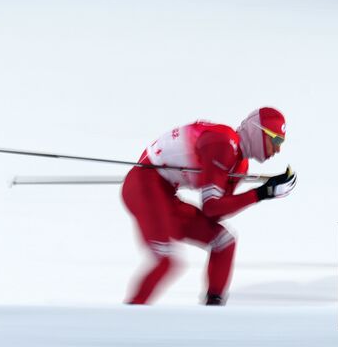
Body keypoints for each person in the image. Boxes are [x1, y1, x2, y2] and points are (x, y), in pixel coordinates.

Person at [121, 107, 296, 305]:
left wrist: (261, 194)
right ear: (258, 132)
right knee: (166, 260)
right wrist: (261, 193)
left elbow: (215, 213)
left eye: (281, 142)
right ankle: (128, 316)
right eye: (276, 140)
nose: (278, 148)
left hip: (165, 194)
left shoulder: (240, 165)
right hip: (145, 185)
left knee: (224, 242)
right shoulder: (224, 143)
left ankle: (213, 311)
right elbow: (212, 207)